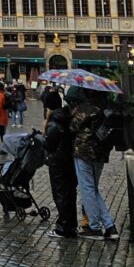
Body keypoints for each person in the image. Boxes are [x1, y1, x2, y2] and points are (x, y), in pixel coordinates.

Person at [70, 88, 118, 240]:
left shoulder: (87, 108)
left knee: (87, 189)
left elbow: (72, 127)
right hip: (101, 153)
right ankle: (110, 227)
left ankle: (94, 227)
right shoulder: (108, 107)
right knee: (94, 189)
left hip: (84, 151)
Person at [43, 86, 77, 238]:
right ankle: (71, 224)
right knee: (70, 192)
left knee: (60, 193)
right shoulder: (67, 116)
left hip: (57, 161)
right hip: (69, 159)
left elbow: (49, 143)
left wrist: (41, 139)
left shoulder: (54, 121)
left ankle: (63, 227)